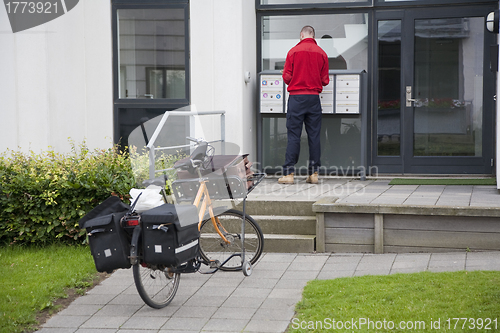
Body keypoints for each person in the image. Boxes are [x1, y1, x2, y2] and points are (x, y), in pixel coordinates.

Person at [278, 25, 329, 184]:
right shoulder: (322, 54)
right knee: (314, 136)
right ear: (313, 36)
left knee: (294, 135)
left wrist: (289, 75)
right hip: (314, 98)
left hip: (296, 98)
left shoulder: (293, 52)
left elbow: (287, 77)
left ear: (301, 35)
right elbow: (324, 81)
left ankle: (289, 174)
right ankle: (314, 174)